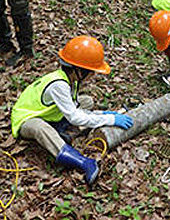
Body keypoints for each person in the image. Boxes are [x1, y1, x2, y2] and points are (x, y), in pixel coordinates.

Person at [11, 36, 134, 185]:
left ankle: (61, 129)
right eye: (91, 71)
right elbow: (75, 116)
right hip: (27, 119)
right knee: (40, 128)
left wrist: (104, 114)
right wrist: (110, 119)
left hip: (48, 114)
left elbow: (75, 108)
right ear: (79, 70)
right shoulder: (59, 85)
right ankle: (81, 162)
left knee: (86, 101)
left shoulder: (70, 80)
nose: (93, 75)